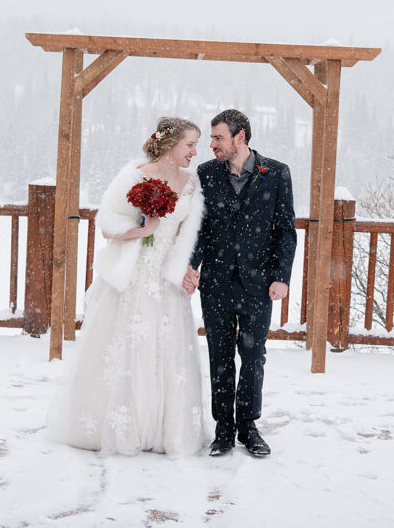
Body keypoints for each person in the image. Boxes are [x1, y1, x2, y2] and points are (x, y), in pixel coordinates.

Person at [48, 117, 208, 456]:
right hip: (131, 275)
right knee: (124, 347)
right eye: (189, 144)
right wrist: (142, 229)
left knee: (164, 350)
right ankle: (121, 425)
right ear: (169, 144)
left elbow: (188, 237)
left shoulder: (192, 185)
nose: (195, 151)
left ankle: (163, 428)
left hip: (167, 281)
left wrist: (186, 269)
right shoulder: (135, 174)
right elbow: (107, 223)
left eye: (196, 144)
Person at [183, 109, 297, 457]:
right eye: (212, 138)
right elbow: (199, 227)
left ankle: (248, 426)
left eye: (218, 138)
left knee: (252, 356)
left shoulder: (276, 173)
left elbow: (285, 230)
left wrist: (281, 277)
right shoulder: (205, 174)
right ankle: (223, 429)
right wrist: (191, 264)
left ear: (240, 137)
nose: (211, 144)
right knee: (219, 356)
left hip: (258, 283)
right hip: (216, 281)